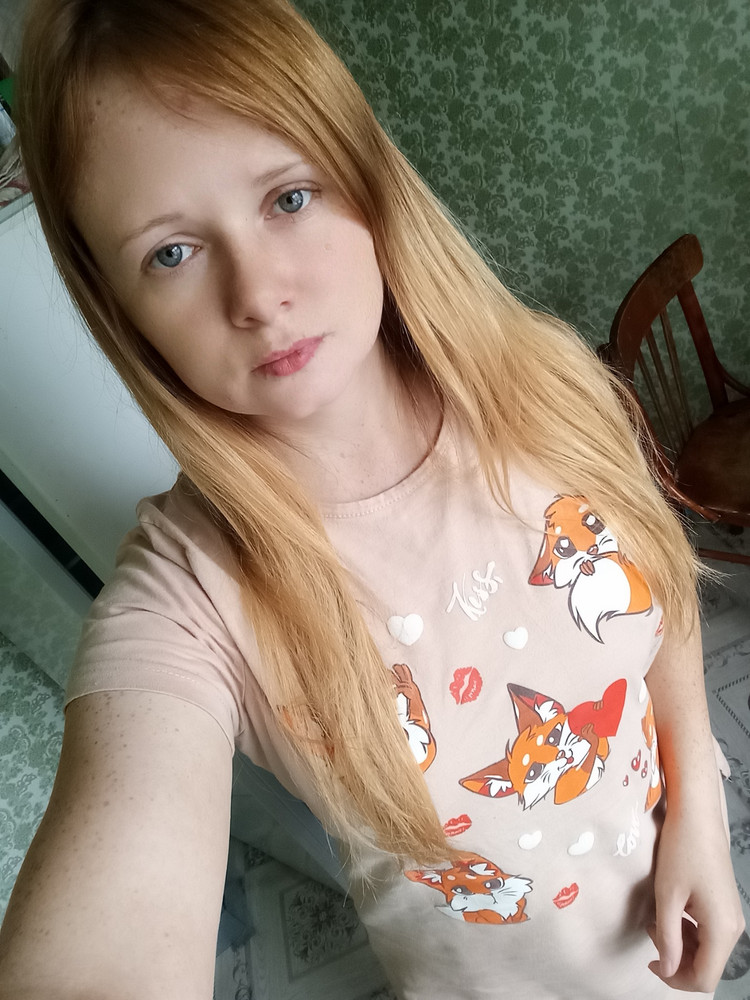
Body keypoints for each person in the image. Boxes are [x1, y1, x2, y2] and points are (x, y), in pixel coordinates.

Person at [0, 0, 743, 997]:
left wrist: (697, 805)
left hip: (670, 912)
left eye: (288, 197)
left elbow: (656, 579)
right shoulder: (192, 598)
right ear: (121, 310)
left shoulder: (547, 380)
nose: (257, 294)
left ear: (363, 174)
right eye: (171, 252)